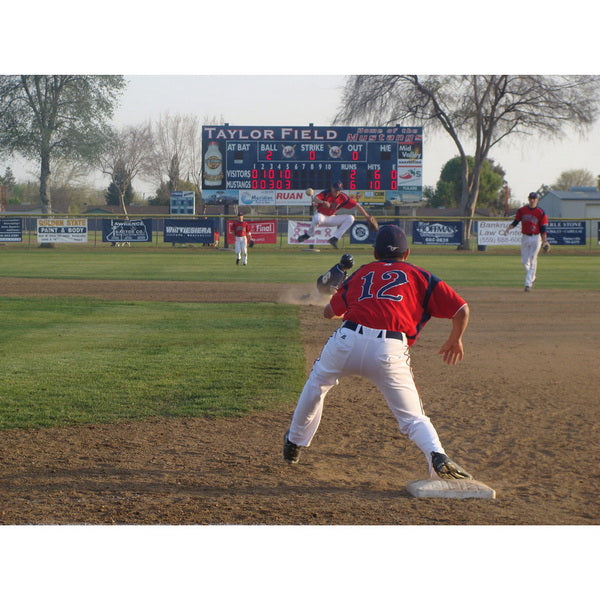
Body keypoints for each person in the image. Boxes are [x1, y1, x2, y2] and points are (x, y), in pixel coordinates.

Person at [283, 225, 473, 481]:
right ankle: (437, 454)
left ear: (374, 252)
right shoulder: (420, 275)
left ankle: (294, 442)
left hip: (347, 340)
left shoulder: (363, 272)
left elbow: (329, 312)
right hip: (390, 349)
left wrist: (337, 302)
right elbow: (461, 309)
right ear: (407, 254)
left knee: (318, 383)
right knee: (413, 418)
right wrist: (455, 339)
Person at [297, 180, 374, 249]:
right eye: (336, 190)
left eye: (339, 190)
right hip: (321, 216)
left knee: (350, 218)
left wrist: (367, 216)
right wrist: (323, 202)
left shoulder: (343, 197)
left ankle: (335, 239)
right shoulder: (326, 193)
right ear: (332, 188)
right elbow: (315, 199)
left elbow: (357, 205)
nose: (337, 192)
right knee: (317, 218)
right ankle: (308, 235)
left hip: (332, 218)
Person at [503, 192, 549, 291]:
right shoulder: (522, 210)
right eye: (530, 198)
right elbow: (516, 221)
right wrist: (508, 228)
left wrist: (545, 240)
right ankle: (532, 277)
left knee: (533, 259)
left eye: (534, 198)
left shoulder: (541, 212)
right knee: (524, 261)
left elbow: (543, 228)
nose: (532, 200)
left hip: (536, 237)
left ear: (537, 200)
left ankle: (528, 284)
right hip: (525, 236)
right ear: (528, 199)